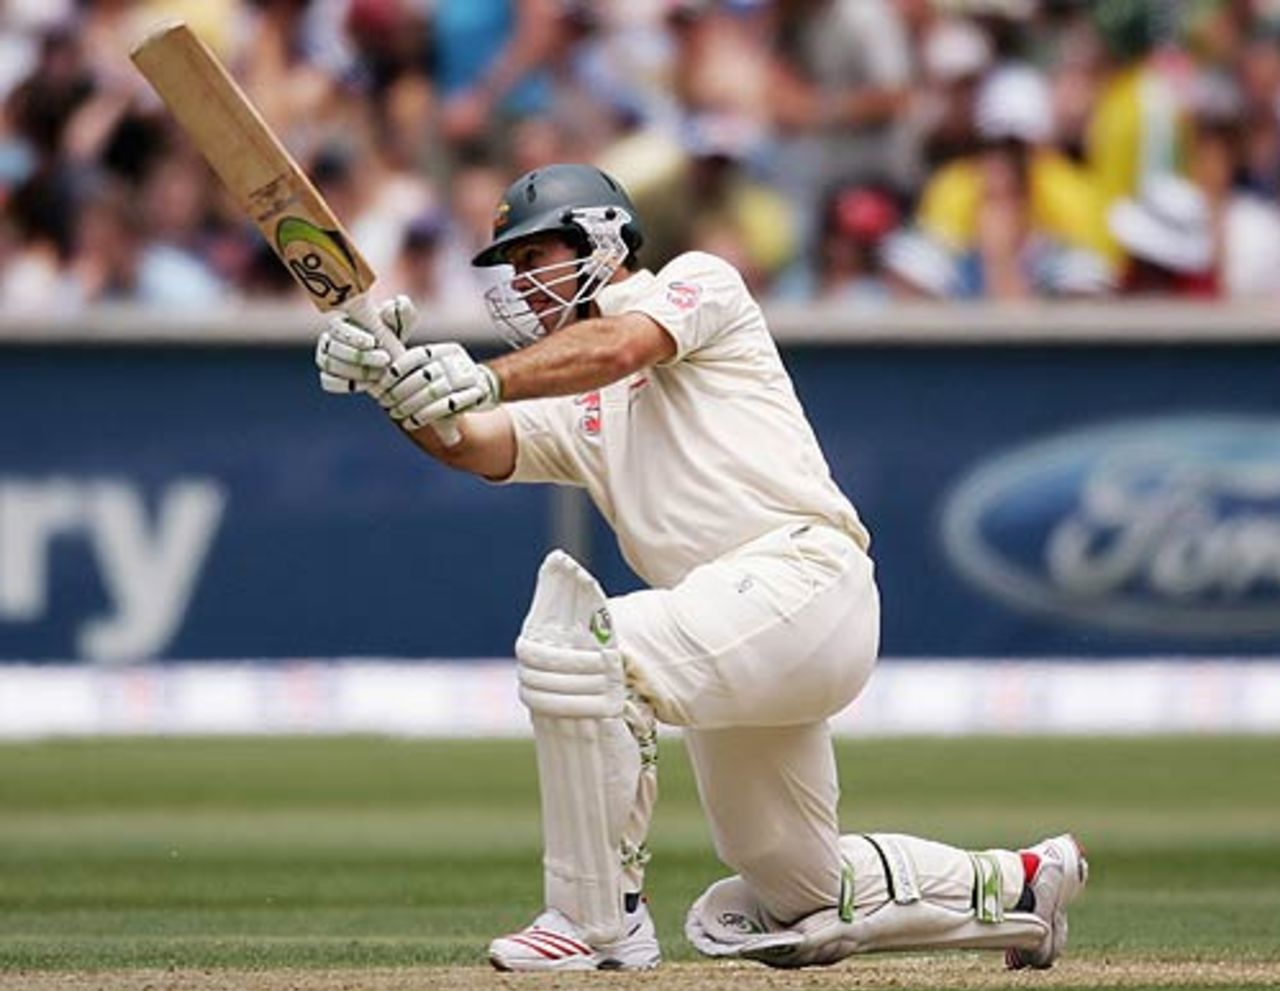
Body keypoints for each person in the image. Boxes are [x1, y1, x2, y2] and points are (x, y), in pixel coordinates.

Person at [313, 163, 1088, 971]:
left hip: (803, 580)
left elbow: (621, 345)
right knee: (797, 886)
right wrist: (391, 379)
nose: (520, 284)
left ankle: (596, 920)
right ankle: (1020, 882)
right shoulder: (574, 400)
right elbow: (471, 444)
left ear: (604, 240)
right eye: (510, 266)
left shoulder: (699, 283)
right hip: (734, 623)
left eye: (534, 257)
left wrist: (484, 376)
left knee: (585, 645)